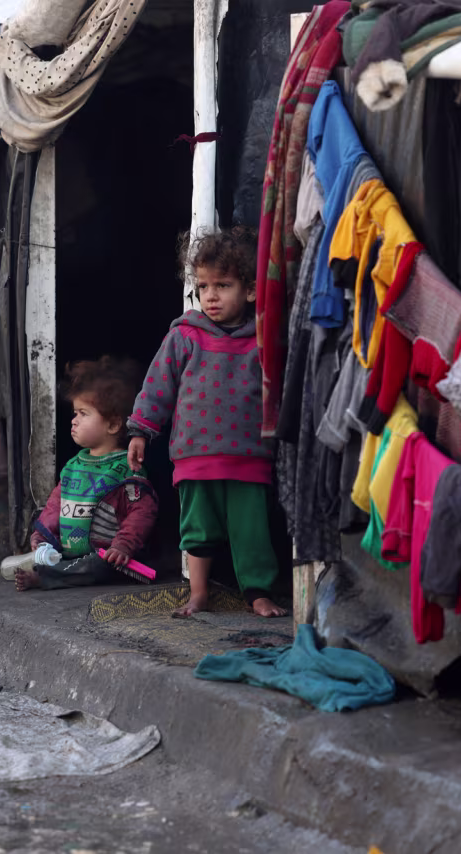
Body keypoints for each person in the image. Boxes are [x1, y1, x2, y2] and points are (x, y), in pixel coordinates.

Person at [127, 227, 287, 618]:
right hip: (195, 457)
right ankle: (198, 593)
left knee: (252, 533)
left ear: (250, 290)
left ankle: (258, 594)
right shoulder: (185, 337)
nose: (210, 295)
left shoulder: (263, 340)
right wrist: (140, 431)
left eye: (223, 285)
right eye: (203, 286)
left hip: (249, 456)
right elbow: (157, 387)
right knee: (197, 532)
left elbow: (280, 390)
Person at [16, 357, 159, 591]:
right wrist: (42, 539)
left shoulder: (126, 469)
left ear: (113, 425)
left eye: (83, 413)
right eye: (75, 413)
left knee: (97, 565)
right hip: (71, 555)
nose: (73, 421)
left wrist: (122, 547)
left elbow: (142, 514)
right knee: (49, 559)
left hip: (109, 557)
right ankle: (51, 572)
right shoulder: (74, 465)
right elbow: (55, 506)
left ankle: (46, 580)